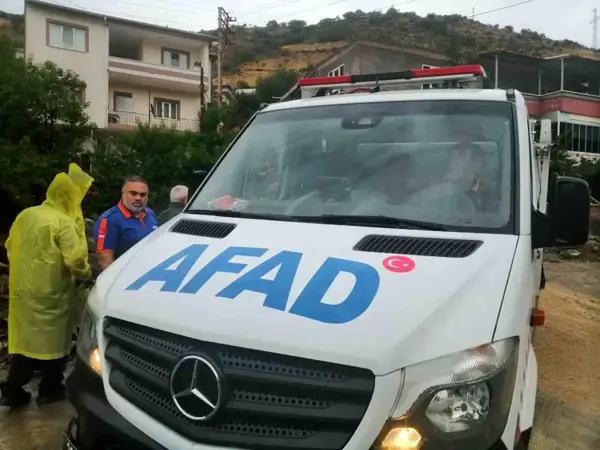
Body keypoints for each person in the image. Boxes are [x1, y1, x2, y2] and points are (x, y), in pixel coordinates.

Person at [0, 164, 93, 409]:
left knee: (25, 344)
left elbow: (10, 246)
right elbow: (75, 260)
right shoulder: (63, 222)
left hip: (23, 291)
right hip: (53, 294)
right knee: (55, 345)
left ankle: (13, 390)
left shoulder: (26, 215)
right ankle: (49, 389)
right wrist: (85, 274)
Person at [94, 176, 158, 271]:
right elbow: (105, 260)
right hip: (127, 278)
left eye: (143, 195)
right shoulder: (109, 220)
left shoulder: (150, 214)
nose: (138, 198)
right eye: (133, 193)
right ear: (123, 194)